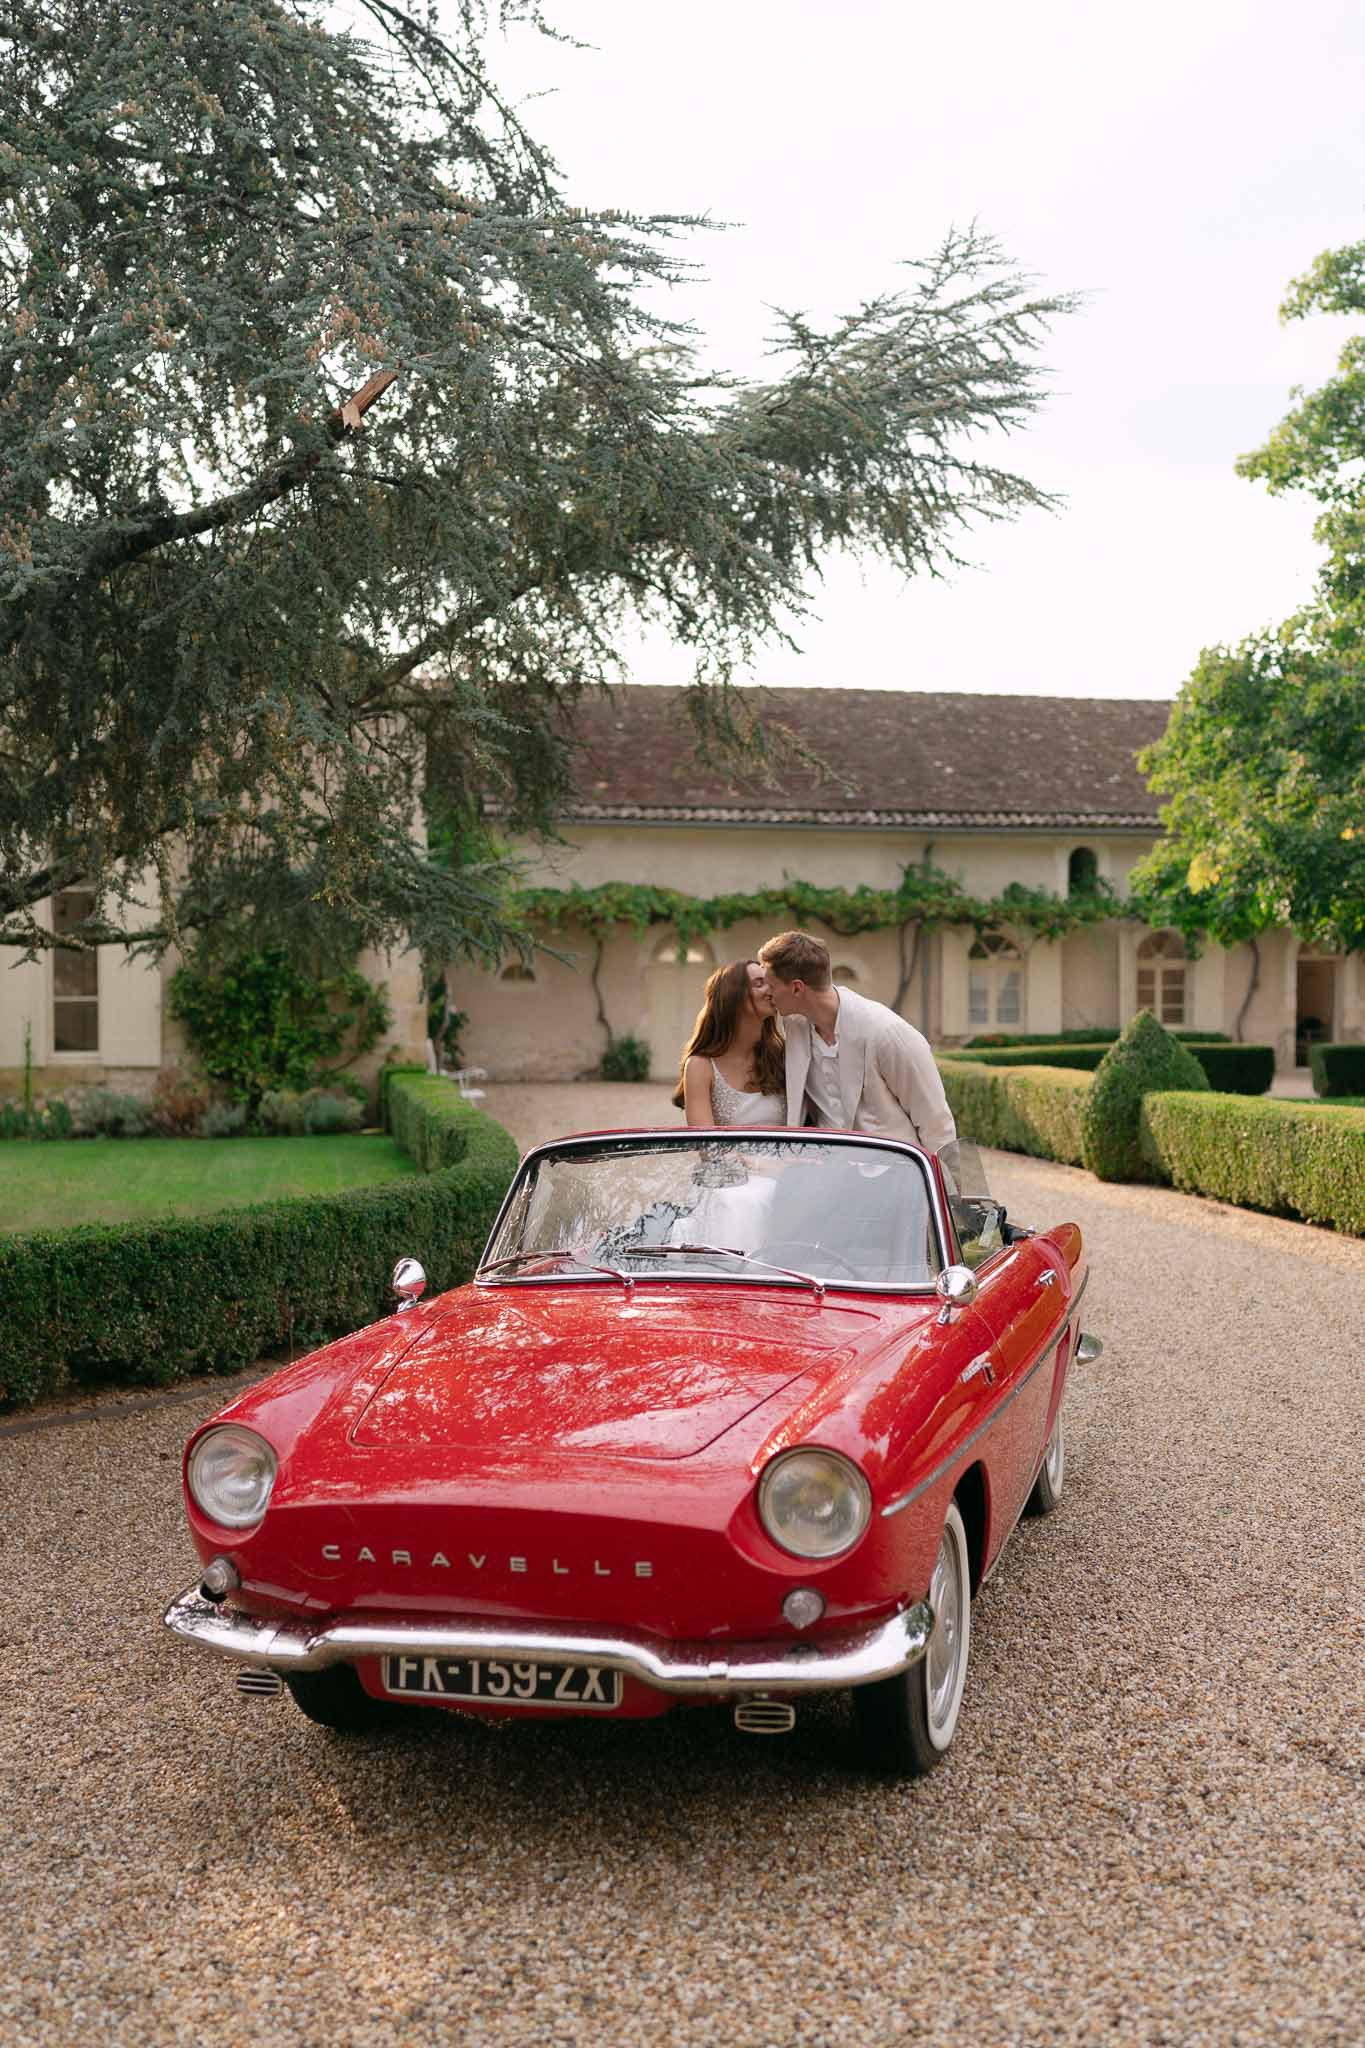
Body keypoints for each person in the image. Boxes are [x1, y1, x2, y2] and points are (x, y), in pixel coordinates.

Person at [755, 930, 957, 1155]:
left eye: (771, 986)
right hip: (827, 1170)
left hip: (893, 1173)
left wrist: (955, 1190)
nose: (767, 993)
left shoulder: (887, 1033)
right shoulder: (794, 1025)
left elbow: (938, 1123)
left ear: (796, 988)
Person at [673, 959, 787, 1127]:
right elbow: (706, 1146)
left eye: (770, 983)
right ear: (733, 996)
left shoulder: (782, 1056)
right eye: (759, 984)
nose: (771, 990)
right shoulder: (700, 1066)